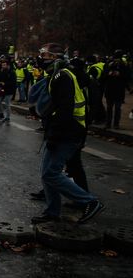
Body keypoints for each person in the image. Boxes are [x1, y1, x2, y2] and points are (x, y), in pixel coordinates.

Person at [31, 43, 104, 224]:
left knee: (51, 173)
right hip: (64, 130)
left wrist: (55, 135)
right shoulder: (57, 74)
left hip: (68, 132)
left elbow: (65, 108)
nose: (40, 58)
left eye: (44, 55)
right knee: (47, 173)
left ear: (55, 58)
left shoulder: (61, 76)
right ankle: (52, 212)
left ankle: (89, 201)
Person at [101, 51, 130, 129]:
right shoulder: (109, 64)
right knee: (113, 107)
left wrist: (119, 74)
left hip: (116, 89)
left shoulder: (123, 65)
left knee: (113, 107)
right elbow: (104, 75)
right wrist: (109, 73)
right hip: (113, 89)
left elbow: (127, 76)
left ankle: (112, 124)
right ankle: (111, 124)